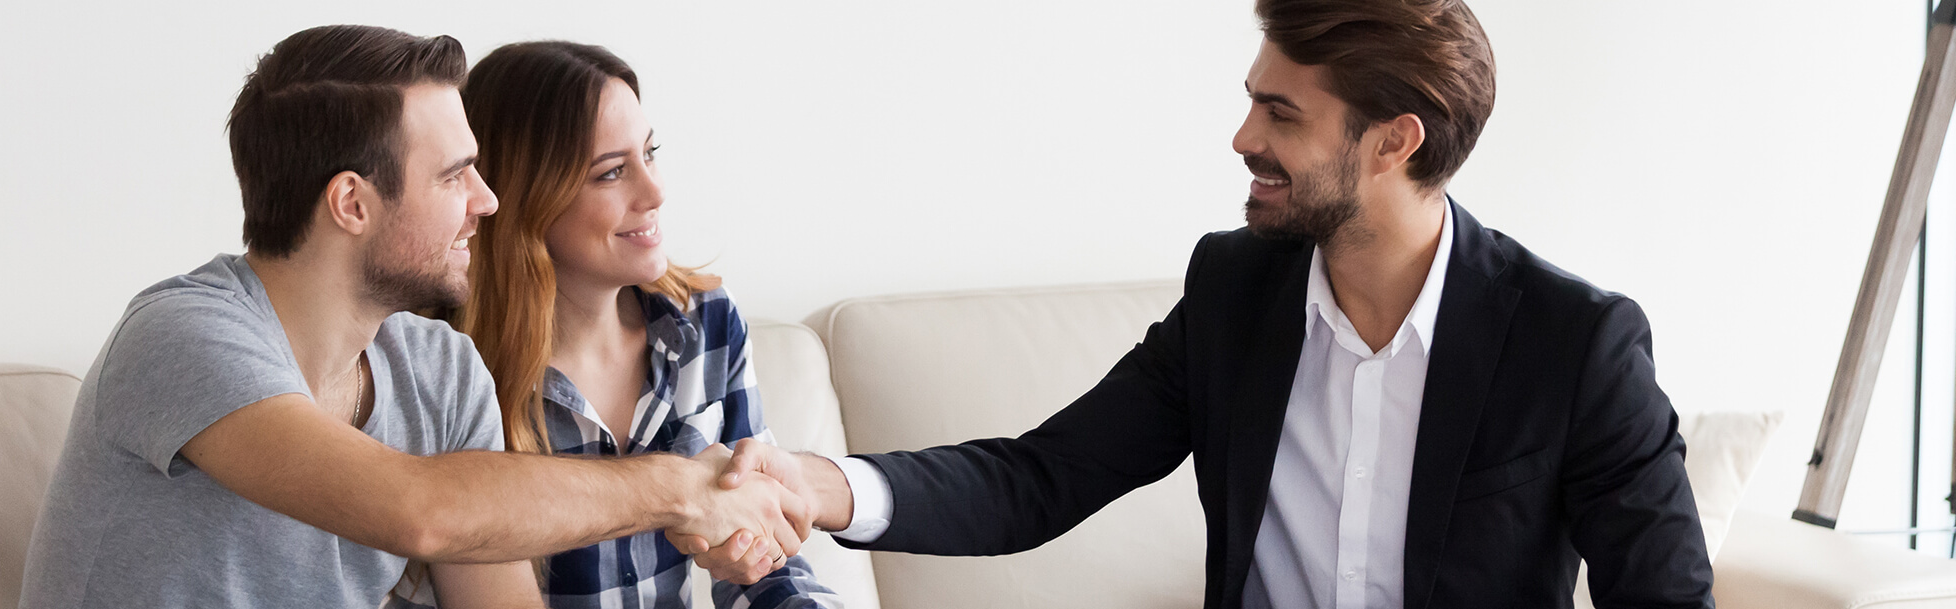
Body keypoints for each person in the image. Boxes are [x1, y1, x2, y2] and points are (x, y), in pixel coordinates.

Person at [697, 0, 1715, 607]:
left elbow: (1662, 597)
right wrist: (816, 486)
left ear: (1393, 141)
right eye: (1250, 100)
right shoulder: (1235, 293)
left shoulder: (1572, 343)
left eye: (1280, 113)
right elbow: (1041, 478)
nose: (1241, 137)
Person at [18, 25, 806, 609]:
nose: (487, 203)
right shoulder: (182, 335)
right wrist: (681, 485)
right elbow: (420, 511)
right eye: (457, 175)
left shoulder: (439, 368)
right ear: (352, 203)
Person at [415, 40, 840, 609]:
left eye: (650, 152)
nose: (656, 191)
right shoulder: (442, 365)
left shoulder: (705, 324)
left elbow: (765, 565)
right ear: (519, 199)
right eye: (612, 173)